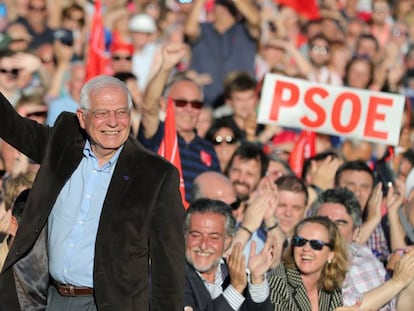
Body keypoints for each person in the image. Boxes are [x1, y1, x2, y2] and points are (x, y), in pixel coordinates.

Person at [0, 75, 185, 310]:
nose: (113, 122)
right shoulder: (62, 145)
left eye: (121, 112)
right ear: (82, 118)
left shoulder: (155, 175)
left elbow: (168, 265)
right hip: (52, 298)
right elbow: (12, 126)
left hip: (111, 304)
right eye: (102, 113)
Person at [138, 43, 220, 202]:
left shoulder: (208, 148)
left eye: (196, 104)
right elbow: (148, 108)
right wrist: (165, 68)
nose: (189, 109)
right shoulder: (157, 134)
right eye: (182, 103)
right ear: (164, 104)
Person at [312, 187, 414, 311]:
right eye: (324, 221)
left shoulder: (364, 253)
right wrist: (397, 282)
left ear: (356, 232)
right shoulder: (307, 256)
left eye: (340, 223)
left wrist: (408, 275)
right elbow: (347, 307)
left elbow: (395, 304)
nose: (331, 229)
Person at [184, 198, 274, 311]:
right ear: (185, 236)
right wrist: (235, 289)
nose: (203, 245)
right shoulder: (173, 276)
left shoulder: (233, 272)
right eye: (196, 235)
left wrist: (256, 280)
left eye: (213, 238)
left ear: (227, 241)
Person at [268, 216, 348, 310]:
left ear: (331, 254)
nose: (306, 249)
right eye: (300, 241)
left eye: (316, 244)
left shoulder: (331, 286)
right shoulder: (277, 283)